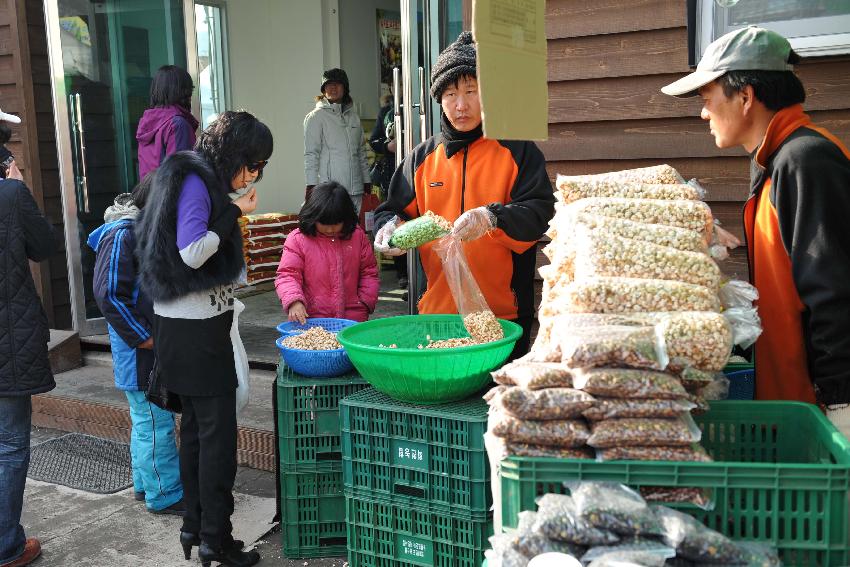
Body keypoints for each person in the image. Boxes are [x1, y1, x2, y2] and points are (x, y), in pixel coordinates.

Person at [661, 27, 850, 418]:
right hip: (792, 392)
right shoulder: (774, 159)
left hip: (824, 402)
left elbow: (834, 287)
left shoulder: (805, 159)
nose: (703, 112)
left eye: (706, 98)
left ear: (745, 97)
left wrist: (840, 402)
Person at [136, 110, 272, 567]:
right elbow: (193, 252)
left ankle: (195, 529)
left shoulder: (186, 173)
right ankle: (217, 539)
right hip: (195, 330)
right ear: (235, 155)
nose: (253, 175)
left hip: (179, 327)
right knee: (216, 440)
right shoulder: (196, 180)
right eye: (253, 164)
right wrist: (234, 212)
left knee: (194, 433)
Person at [373, 31, 555, 360]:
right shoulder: (421, 158)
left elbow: (539, 211)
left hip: (503, 317)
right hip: (437, 316)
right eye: (451, 93)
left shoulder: (518, 151)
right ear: (439, 98)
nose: (461, 105)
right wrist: (387, 229)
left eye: (472, 91)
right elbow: (392, 210)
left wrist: (492, 217)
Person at [87, 176, 184, 516]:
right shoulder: (123, 234)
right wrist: (144, 337)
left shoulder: (140, 231)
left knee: (147, 422)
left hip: (148, 349)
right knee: (154, 424)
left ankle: (146, 486)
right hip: (140, 353)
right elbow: (108, 294)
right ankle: (166, 494)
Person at [0, 114, 55, 567]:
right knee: (10, 445)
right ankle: (6, 546)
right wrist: (17, 186)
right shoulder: (11, 195)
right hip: (7, 346)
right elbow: (44, 245)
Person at [275, 181, 380, 324]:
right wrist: (294, 301)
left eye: (336, 223)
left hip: (353, 319)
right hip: (311, 320)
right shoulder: (297, 239)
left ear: (346, 218)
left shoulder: (357, 236)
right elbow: (287, 275)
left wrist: (364, 303)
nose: (330, 230)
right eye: (324, 224)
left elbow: (369, 273)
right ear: (313, 216)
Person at [304, 68, 371, 214]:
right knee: (333, 231)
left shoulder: (354, 117)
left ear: (345, 88)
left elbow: (361, 152)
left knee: (354, 231)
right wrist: (311, 185)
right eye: (329, 84)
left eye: (338, 84)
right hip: (331, 191)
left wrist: (366, 181)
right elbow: (311, 154)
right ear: (323, 90)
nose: (333, 88)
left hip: (356, 190)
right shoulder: (316, 117)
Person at [369, 95, 408, 290]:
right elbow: (373, 141)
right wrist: (387, 146)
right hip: (392, 173)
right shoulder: (386, 112)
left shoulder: (417, 105)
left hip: (416, 169)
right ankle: (402, 273)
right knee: (395, 221)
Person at [136, 65, 199, 179]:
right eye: (190, 89)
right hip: (170, 194)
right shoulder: (177, 124)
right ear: (184, 92)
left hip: (148, 194)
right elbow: (180, 172)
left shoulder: (147, 121)